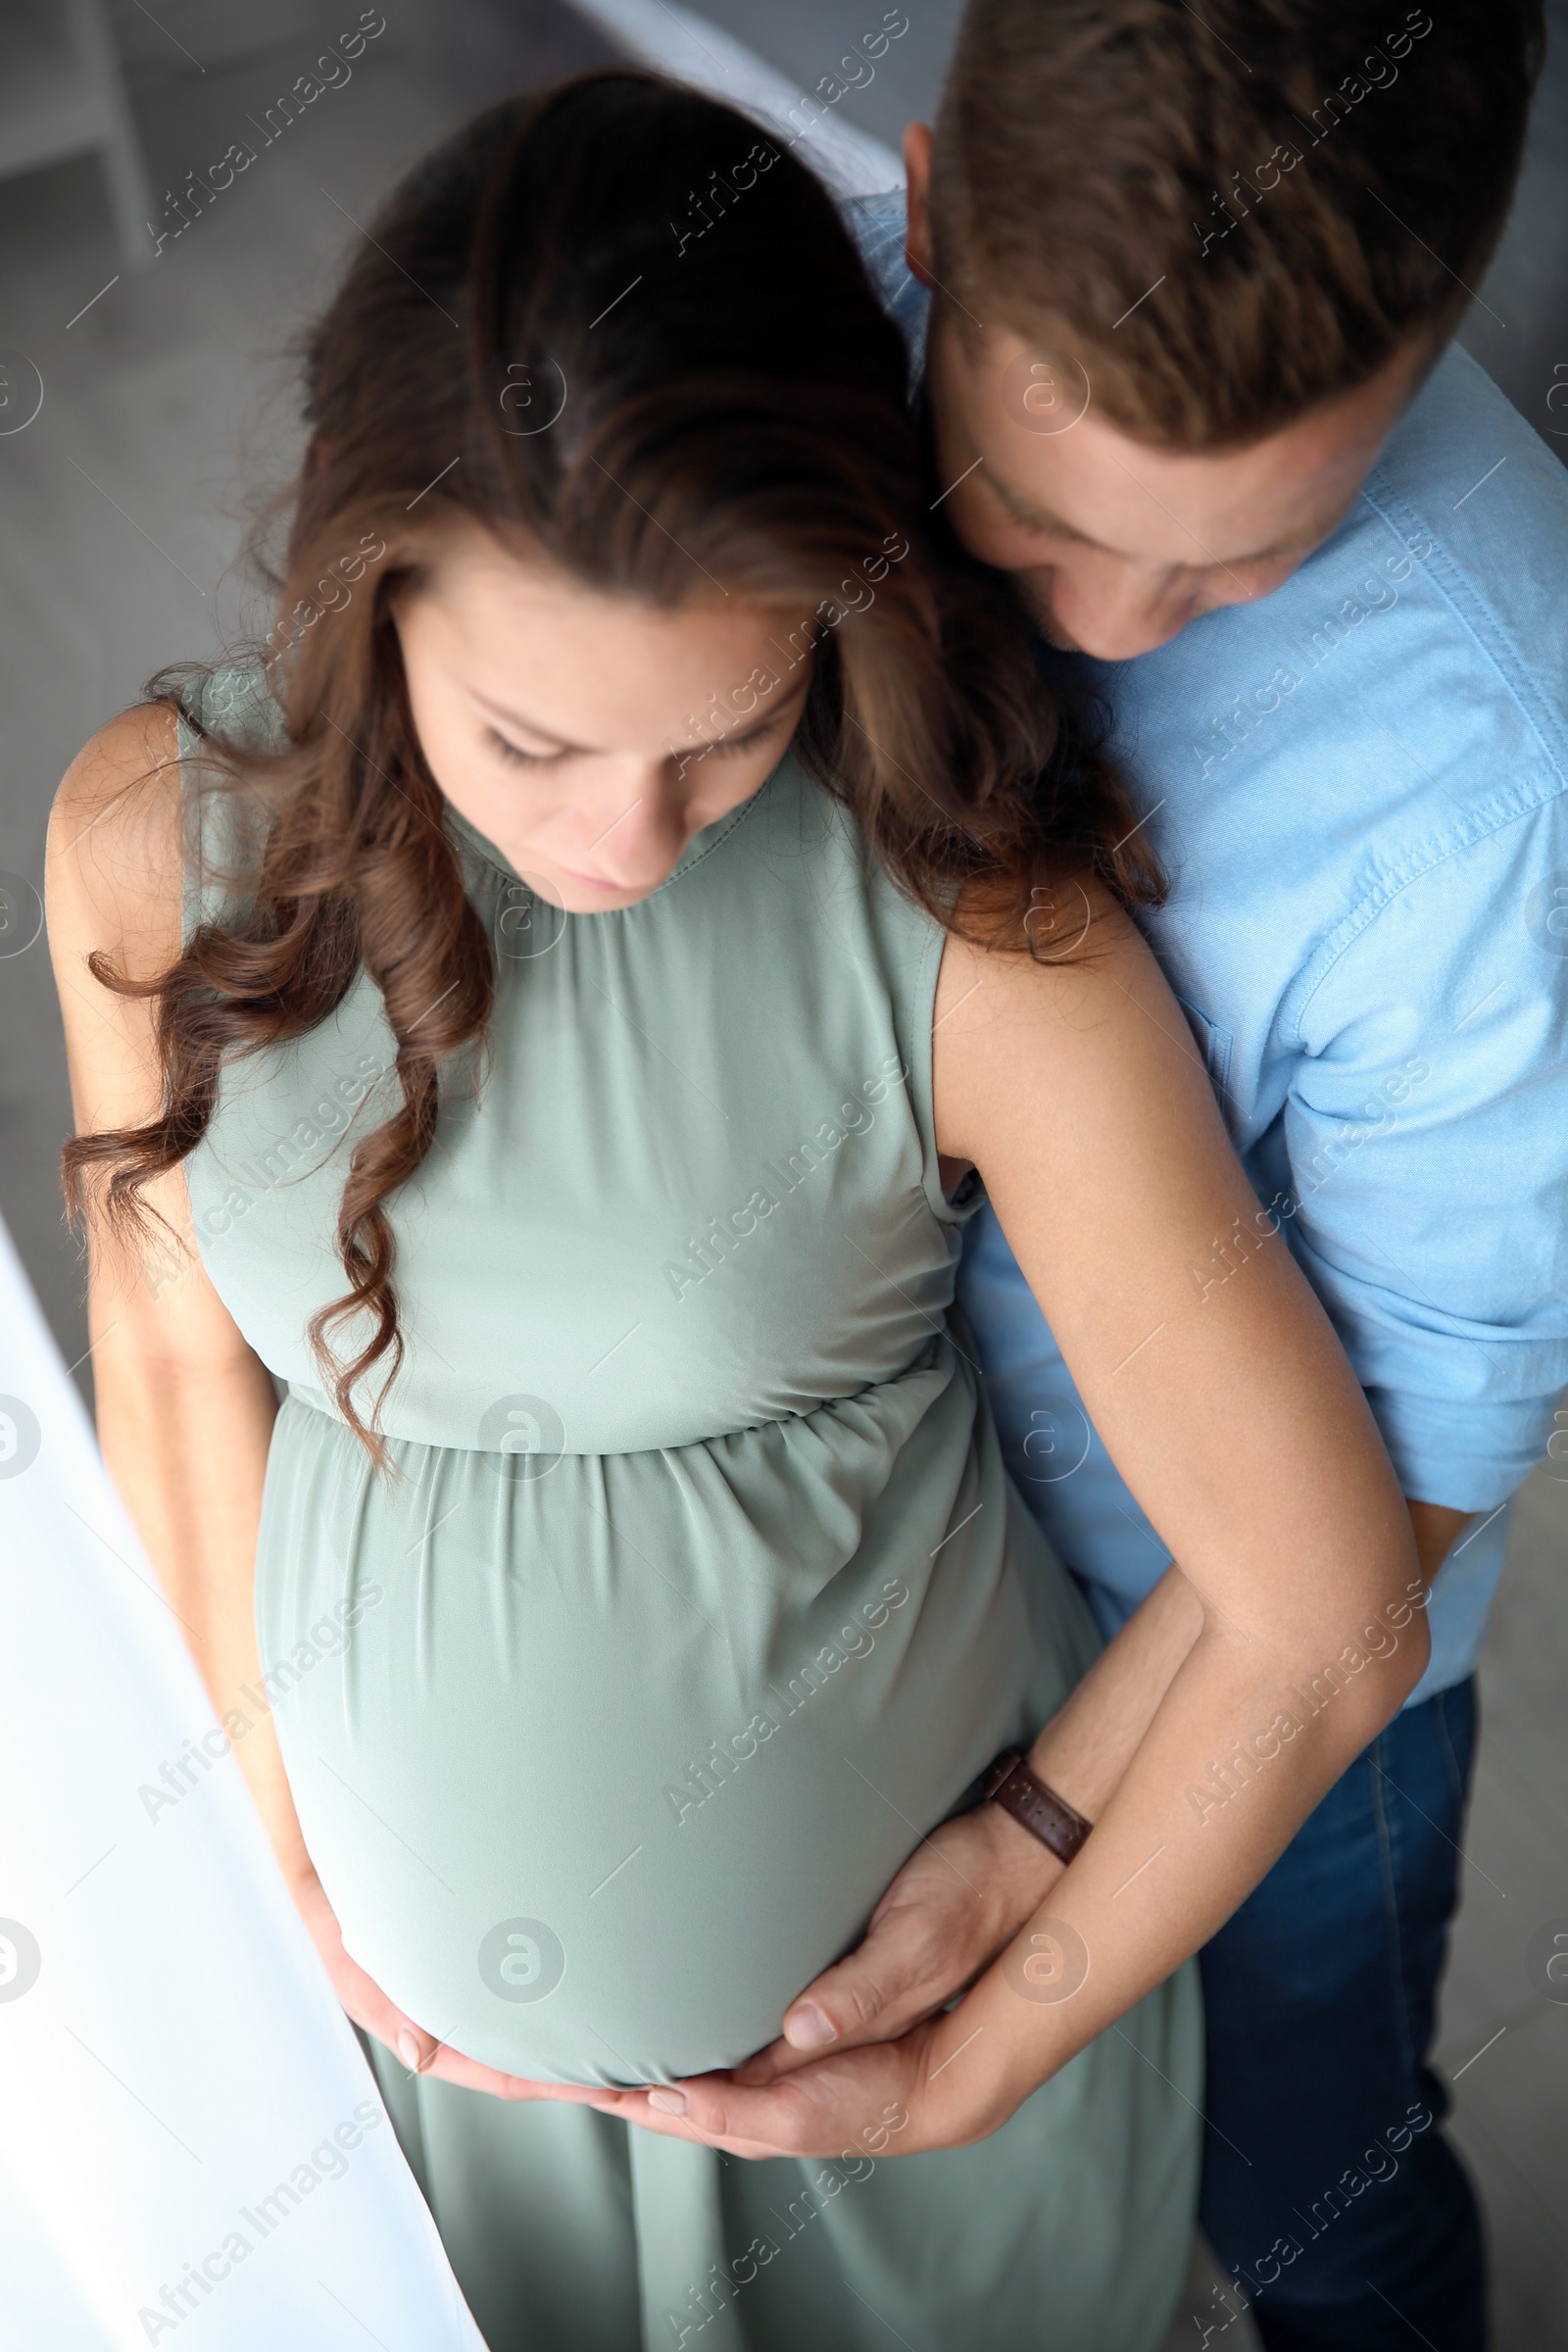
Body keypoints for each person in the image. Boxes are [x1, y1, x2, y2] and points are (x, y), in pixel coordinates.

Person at [49, 74, 1429, 2352]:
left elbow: (1324, 1608)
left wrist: (989, 2026)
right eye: (530, 746)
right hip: (401, 2078)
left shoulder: (977, 938)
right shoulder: (144, 846)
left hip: (886, 2135)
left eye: (722, 732)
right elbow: (177, 1339)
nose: (620, 841)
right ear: (365, 590)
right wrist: (280, 1825)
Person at [683, 6, 1568, 2348]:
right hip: (867, 1563)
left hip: (1239, 1658)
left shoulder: (1493, 745)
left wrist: (1057, 1841)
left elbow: (1425, 1435)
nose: (1096, 632)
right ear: (923, 196)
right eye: (1042, 516)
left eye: (1239, 565)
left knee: (1314, 2201)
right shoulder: (763, 346)